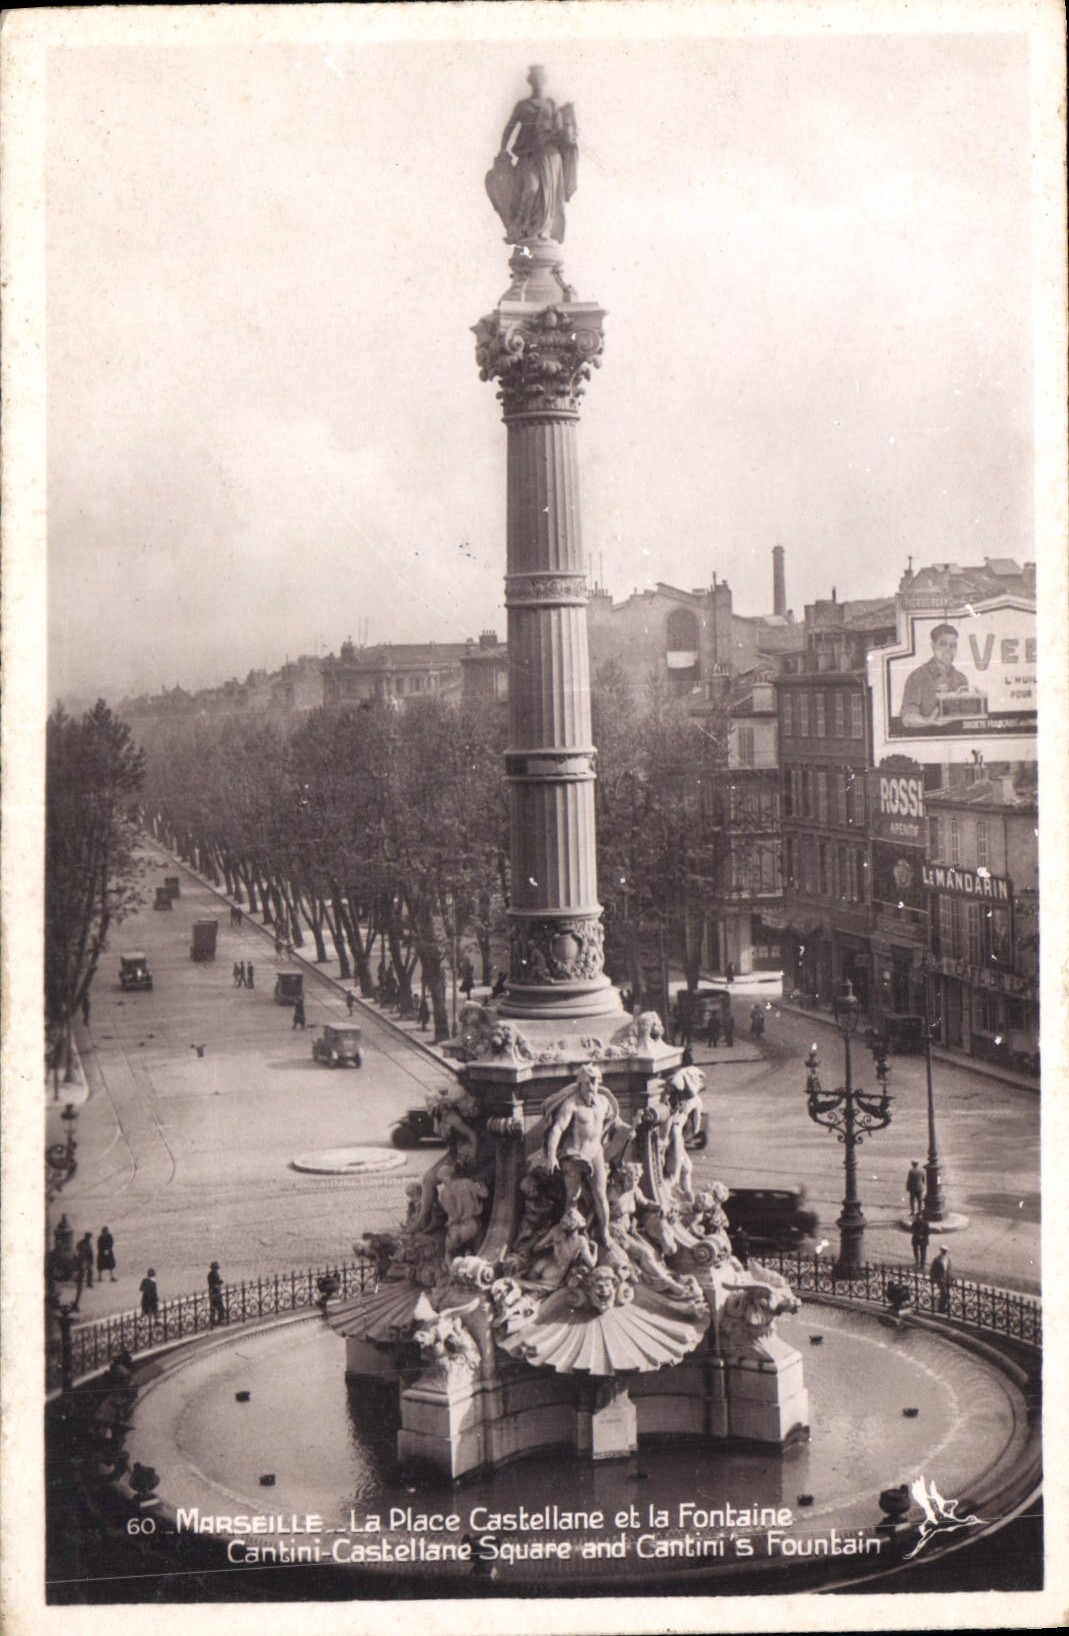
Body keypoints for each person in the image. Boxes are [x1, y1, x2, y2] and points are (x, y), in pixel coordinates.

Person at [487, 65, 578, 245]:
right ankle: (522, 226)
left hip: (549, 156)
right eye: (535, 79)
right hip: (528, 154)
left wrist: (568, 132)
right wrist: (503, 149)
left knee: (547, 195)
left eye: (541, 79)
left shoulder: (552, 105)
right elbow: (510, 127)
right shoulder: (523, 106)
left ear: (544, 81)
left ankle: (542, 230)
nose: (538, 82)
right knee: (531, 188)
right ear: (531, 82)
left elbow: (561, 133)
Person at [543, 1065, 620, 1243]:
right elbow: (557, 1128)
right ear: (580, 1084)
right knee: (573, 1196)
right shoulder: (572, 1104)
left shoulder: (604, 1103)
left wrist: (632, 1127)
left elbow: (615, 1123)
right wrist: (552, 1155)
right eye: (586, 1084)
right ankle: (571, 1233)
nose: (590, 1088)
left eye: (593, 1084)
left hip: (596, 1152)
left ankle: (605, 1233)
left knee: (601, 1195)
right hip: (575, 1154)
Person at [898, 623, 971, 729]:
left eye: (953, 645)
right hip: (927, 740)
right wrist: (929, 721)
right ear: (933, 646)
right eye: (942, 644)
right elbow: (907, 718)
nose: (948, 650)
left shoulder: (961, 679)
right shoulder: (917, 677)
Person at [930, 1247, 952, 1312]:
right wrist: (933, 1278)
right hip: (940, 1279)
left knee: (947, 1294)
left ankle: (943, 1306)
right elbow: (932, 1270)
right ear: (941, 1252)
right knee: (944, 1293)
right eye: (943, 1252)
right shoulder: (937, 1260)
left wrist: (951, 1278)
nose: (944, 1253)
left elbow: (949, 1270)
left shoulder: (948, 1260)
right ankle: (941, 1308)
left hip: (947, 1279)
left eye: (946, 1252)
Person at [207, 1262, 227, 1326]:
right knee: (219, 1307)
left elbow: (212, 1284)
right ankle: (219, 1320)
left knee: (214, 1307)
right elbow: (214, 1285)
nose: (216, 1269)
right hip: (215, 1292)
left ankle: (213, 1320)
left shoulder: (211, 1274)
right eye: (216, 1268)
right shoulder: (214, 1274)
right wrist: (220, 1283)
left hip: (213, 1292)